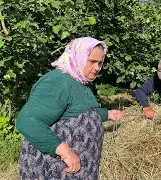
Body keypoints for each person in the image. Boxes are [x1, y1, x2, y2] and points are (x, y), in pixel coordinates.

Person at [16, 37, 123, 179]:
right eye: (91, 61)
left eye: (100, 63)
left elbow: (82, 111)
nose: (97, 68)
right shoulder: (57, 82)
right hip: (54, 170)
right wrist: (65, 152)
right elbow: (27, 121)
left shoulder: (79, 81)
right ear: (78, 56)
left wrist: (107, 114)